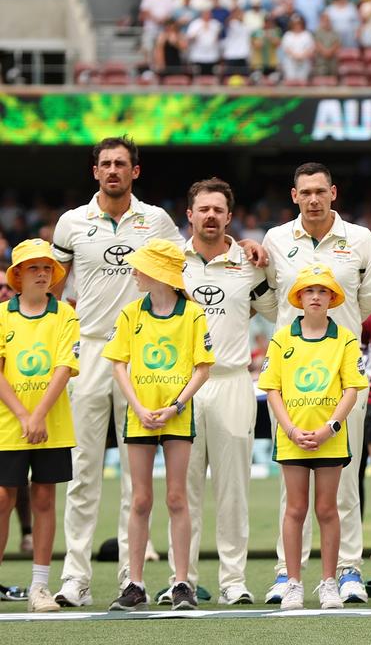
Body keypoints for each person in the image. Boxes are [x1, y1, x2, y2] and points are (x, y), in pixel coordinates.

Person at [52, 136, 184, 608]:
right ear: (95, 172)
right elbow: (55, 289)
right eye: (105, 164)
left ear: (135, 171)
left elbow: (190, 272)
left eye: (121, 164)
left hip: (145, 359)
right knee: (83, 471)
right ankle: (75, 579)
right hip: (89, 352)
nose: (113, 170)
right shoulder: (71, 223)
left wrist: (243, 244)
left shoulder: (157, 222)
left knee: (137, 478)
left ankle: (134, 578)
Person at [261, 162, 371, 606]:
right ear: (295, 196)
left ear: (334, 192)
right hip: (291, 378)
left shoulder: (361, 240)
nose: (313, 198)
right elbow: (269, 297)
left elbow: (368, 298)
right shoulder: (275, 240)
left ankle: (347, 570)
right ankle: (286, 574)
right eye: (305, 192)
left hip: (342, 375)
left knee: (344, 484)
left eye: (320, 191)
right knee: (291, 492)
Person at [163, 179, 274, 607]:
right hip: (182, 385)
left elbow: (275, 310)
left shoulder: (248, 262)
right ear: (189, 215)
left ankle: (233, 580)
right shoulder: (172, 262)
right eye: (202, 209)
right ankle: (182, 579)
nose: (210, 216)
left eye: (218, 210)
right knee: (182, 490)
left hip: (231, 380)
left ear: (230, 216)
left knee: (233, 488)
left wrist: (256, 254)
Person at [103, 240, 215, 611]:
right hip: (140, 417)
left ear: (160, 274)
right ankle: (134, 583)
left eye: (141, 266)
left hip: (177, 416)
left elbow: (203, 366)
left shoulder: (193, 315)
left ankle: (182, 583)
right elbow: (118, 363)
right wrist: (137, 405)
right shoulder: (131, 313)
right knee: (140, 499)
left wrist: (176, 405)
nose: (134, 271)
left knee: (177, 497)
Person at [260, 264, 368, 610]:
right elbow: (272, 389)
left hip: (330, 438)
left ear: (332, 298)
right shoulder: (282, 338)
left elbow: (351, 389)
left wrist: (330, 428)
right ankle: (292, 583)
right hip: (292, 437)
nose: (316, 297)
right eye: (310, 291)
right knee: (295, 509)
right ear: (299, 298)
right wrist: (290, 429)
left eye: (323, 291)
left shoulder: (346, 338)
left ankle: (328, 583)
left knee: (326, 509)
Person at [0, 240, 79, 613]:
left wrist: (39, 414)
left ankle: (40, 588)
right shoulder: (2, 315)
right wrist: (22, 415)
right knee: (3, 499)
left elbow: (64, 368)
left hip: (53, 423)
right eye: (33, 268)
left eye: (47, 267)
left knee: (45, 498)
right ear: (17, 276)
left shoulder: (65, 314)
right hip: (7, 424)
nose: (43, 273)